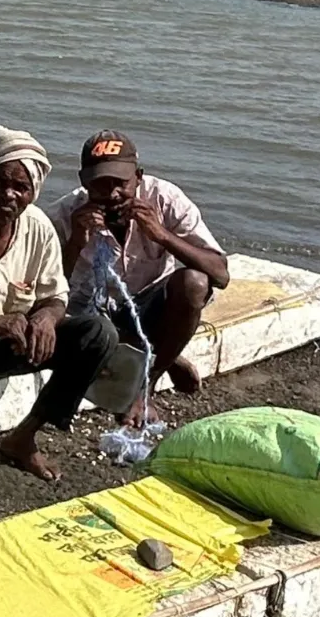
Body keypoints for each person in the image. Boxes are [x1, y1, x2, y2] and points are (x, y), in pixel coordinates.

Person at [0, 127, 120, 487]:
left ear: (32, 192)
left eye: (20, 187)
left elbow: (55, 294)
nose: (8, 195)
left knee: (98, 333)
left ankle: (25, 437)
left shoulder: (38, 227)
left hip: (16, 341)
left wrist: (45, 318)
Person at [48, 131, 231, 412]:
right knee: (75, 324)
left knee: (194, 282)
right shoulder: (64, 215)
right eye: (99, 185)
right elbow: (47, 287)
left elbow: (220, 274)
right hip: (95, 315)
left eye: (120, 184)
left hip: (149, 308)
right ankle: (161, 354)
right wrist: (75, 242)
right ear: (83, 182)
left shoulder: (165, 199)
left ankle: (147, 383)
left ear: (139, 176)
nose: (112, 195)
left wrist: (163, 235)